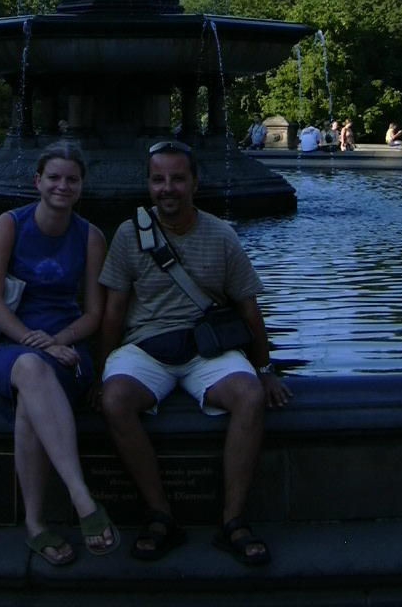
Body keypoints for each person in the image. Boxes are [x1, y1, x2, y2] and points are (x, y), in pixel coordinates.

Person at [95, 140, 291, 565]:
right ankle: (161, 514)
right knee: (115, 401)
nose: (168, 188)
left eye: (178, 179)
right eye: (159, 179)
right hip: (146, 347)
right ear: (148, 184)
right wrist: (101, 370)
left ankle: (233, 520)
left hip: (208, 348)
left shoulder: (221, 234)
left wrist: (265, 368)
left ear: (195, 183)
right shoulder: (130, 234)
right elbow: (113, 312)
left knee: (250, 396)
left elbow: (248, 307)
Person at [0, 141, 118, 565]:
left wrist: (60, 341)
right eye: (54, 177)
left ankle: (36, 525)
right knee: (28, 367)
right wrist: (32, 339)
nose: (62, 186)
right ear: (37, 180)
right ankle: (82, 500)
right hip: (11, 344)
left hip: (68, 349)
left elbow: (95, 313)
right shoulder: (11, 224)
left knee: (30, 396)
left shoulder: (91, 236)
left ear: (81, 186)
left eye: (71, 180)